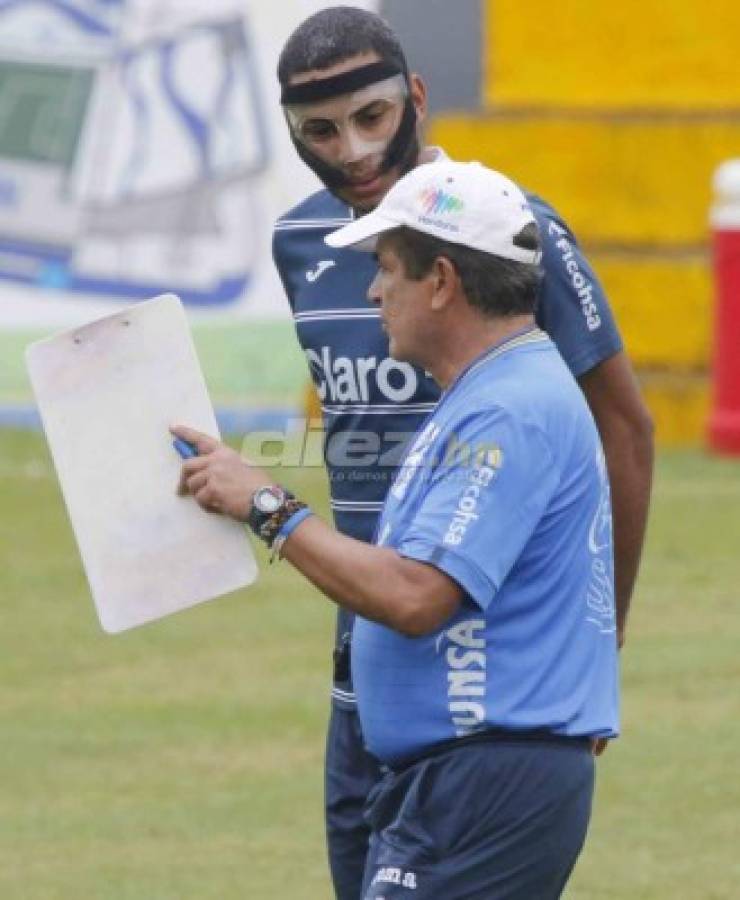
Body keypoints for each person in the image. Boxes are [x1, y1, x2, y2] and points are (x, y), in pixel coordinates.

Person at [268, 7, 652, 898]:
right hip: (369, 652)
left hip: (485, 663)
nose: (355, 150)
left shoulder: (508, 228)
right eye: (320, 132)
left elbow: (625, 428)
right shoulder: (300, 244)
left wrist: (600, 643)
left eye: (372, 117)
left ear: (417, 97)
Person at [172, 159, 620, 899]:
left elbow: (418, 595)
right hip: (467, 779)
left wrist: (269, 507)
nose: (375, 291)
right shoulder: (494, 393)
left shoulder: (508, 408)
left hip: (480, 785)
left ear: (441, 281)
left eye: (385, 269)